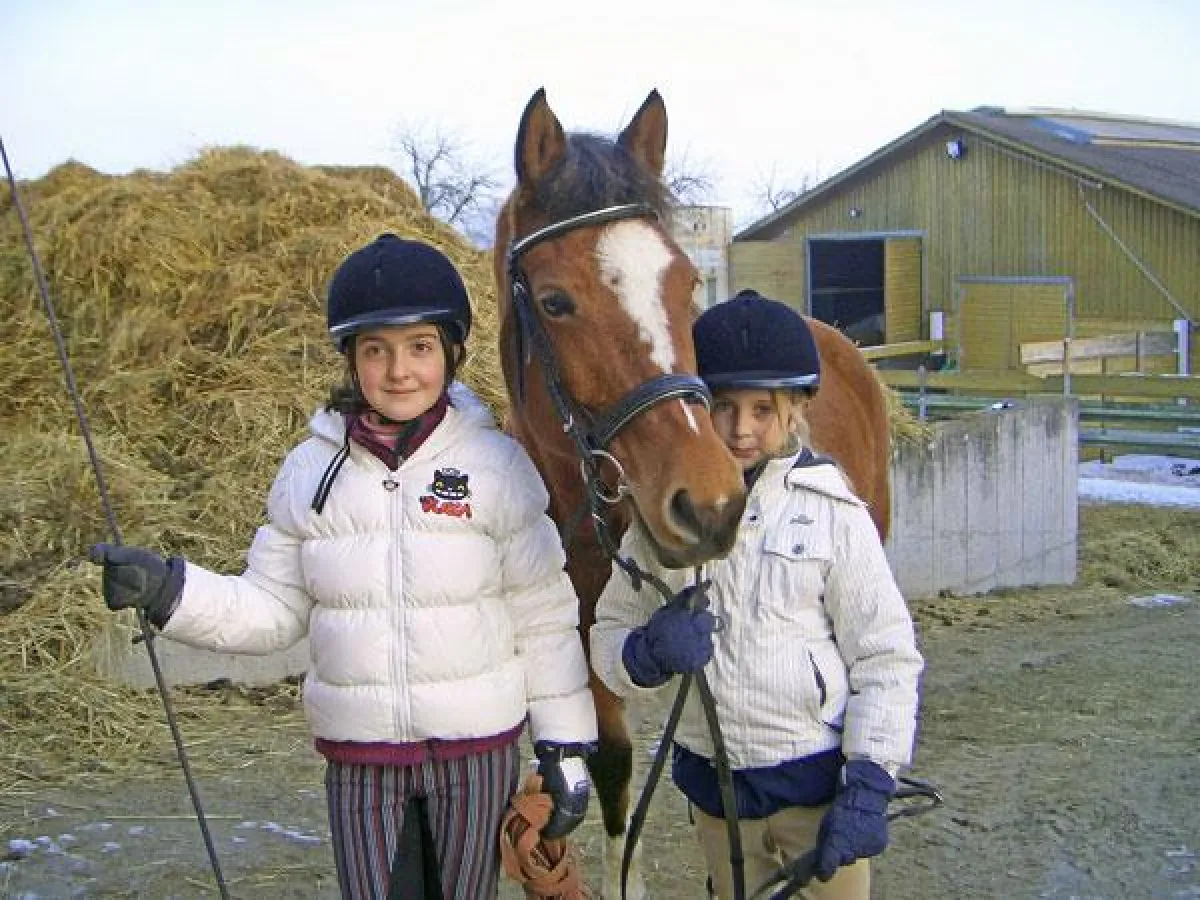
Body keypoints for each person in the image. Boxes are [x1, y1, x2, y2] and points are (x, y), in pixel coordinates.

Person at [90, 234, 598, 900]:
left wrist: (564, 750)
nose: (399, 371)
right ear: (350, 359)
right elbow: (272, 611)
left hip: (477, 756)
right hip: (362, 764)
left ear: (450, 353)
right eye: (374, 350)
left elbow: (543, 616)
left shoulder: (498, 467)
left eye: (418, 347)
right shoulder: (307, 473)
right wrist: (170, 592)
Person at [589, 289, 924, 900]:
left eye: (762, 409)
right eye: (722, 407)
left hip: (816, 795)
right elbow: (607, 636)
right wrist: (643, 655)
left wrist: (871, 783)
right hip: (719, 799)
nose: (741, 428)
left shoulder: (834, 517)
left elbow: (886, 658)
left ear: (796, 410)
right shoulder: (656, 524)